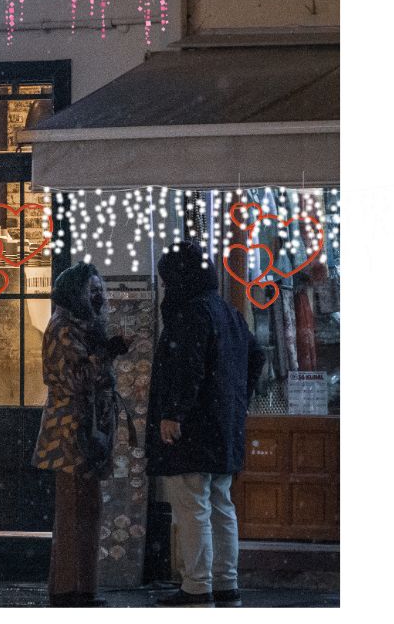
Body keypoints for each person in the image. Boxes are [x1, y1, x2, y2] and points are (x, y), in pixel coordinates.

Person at [146, 241, 266, 607]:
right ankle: (225, 581)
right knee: (220, 503)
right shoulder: (228, 312)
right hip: (223, 427)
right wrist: (235, 402)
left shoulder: (190, 313)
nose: (166, 287)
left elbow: (187, 368)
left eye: (167, 279)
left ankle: (197, 585)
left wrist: (173, 414)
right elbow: (256, 356)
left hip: (194, 430)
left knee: (192, 503)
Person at [31, 262, 130, 607]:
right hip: (71, 431)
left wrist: (103, 354)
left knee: (87, 508)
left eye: (100, 287)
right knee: (74, 508)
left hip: (87, 428)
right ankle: (69, 590)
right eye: (93, 289)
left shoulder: (85, 325)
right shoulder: (63, 328)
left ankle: (82, 588)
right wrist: (105, 357)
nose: (99, 294)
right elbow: (72, 380)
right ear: (77, 293)